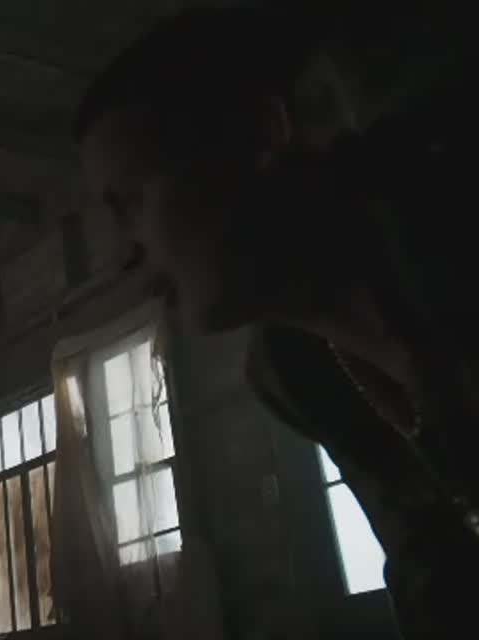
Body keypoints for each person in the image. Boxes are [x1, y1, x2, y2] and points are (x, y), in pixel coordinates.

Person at [74, 7, 476, 638]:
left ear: (261, 132)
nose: (124, 254)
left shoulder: (446, 215)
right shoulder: (293, 373)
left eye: (131, 200)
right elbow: (433, 566)